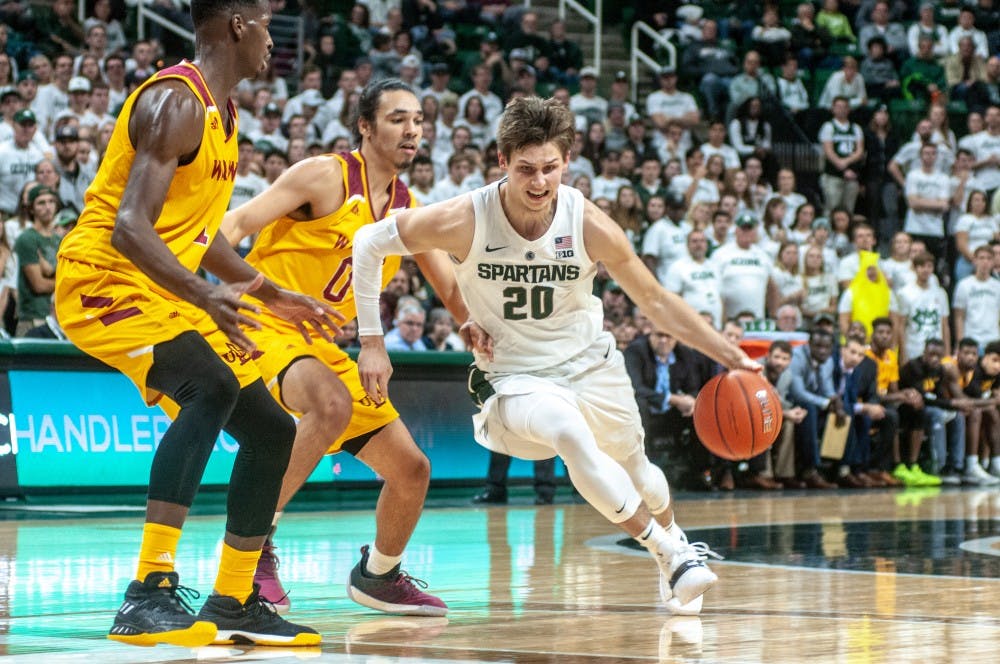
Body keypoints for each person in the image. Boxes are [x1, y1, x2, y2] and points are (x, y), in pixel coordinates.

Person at [351, 97, 759, 615]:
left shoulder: (587, 222)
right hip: (514, 378)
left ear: (566, 163)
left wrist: (731, 356)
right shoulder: (465, 218)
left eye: (550, 168)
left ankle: (672, 547)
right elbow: (367, 243)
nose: (539, 183)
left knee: (644, 477)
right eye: (526, 170)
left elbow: (655, 301)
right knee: (569, 432)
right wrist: (372, 339)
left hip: (591, 365)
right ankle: (671, 553)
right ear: (502, 161)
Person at [54, 0, 328, 648]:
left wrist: (267, 289)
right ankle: (147, 591)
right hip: (101, 277)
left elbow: (195, 236)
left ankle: (234, 601)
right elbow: (129, 228)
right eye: (264, 20)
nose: (272, 36)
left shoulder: (224, 116)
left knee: (269, 429)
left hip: (162, 286)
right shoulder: (176, 101)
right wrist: (207, 298)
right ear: (236, 23)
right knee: (211, 386)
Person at [221, 79, 461, 617]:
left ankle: (378, 574)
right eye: (399, 118)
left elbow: (450, 288)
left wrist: (485, 333)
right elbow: (234, 223)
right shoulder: (324, 175)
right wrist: (207, 281)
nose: (413, 130)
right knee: (331, 404)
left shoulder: (407, 208)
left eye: (419, 120)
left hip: (317, 344)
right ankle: (254, 541)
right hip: (258, 323)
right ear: (365, 126)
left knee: (412, 469)